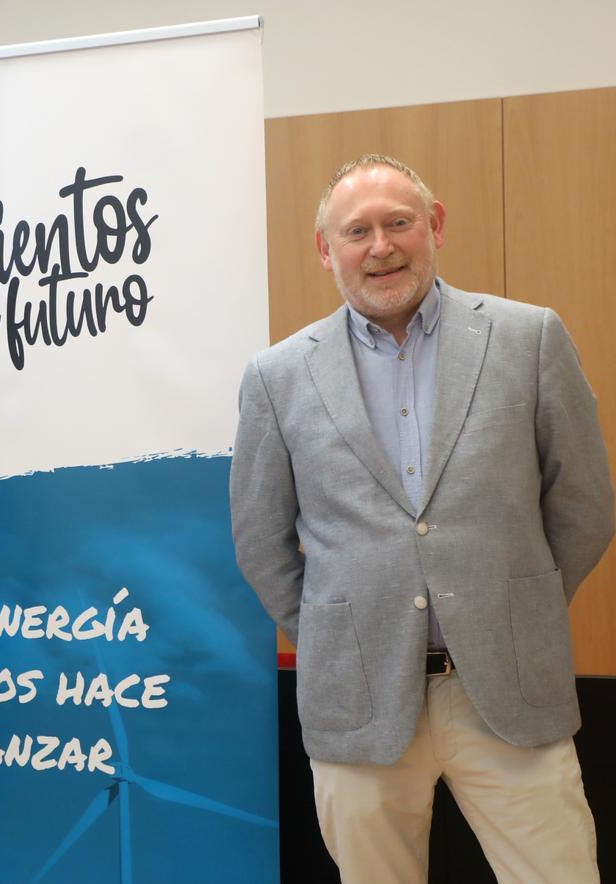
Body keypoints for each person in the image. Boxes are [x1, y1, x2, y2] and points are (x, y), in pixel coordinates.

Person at [230, 154, 613, 882]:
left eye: (398, 223)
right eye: (357, 231)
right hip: (358, 695)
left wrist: (515, 610)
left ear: (432, 226)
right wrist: (331, 632)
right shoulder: (276, 378)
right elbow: (260, 539)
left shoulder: (528, 338)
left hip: (505, 688)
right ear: (326, 250)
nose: (380, 247)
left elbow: (585, 504)